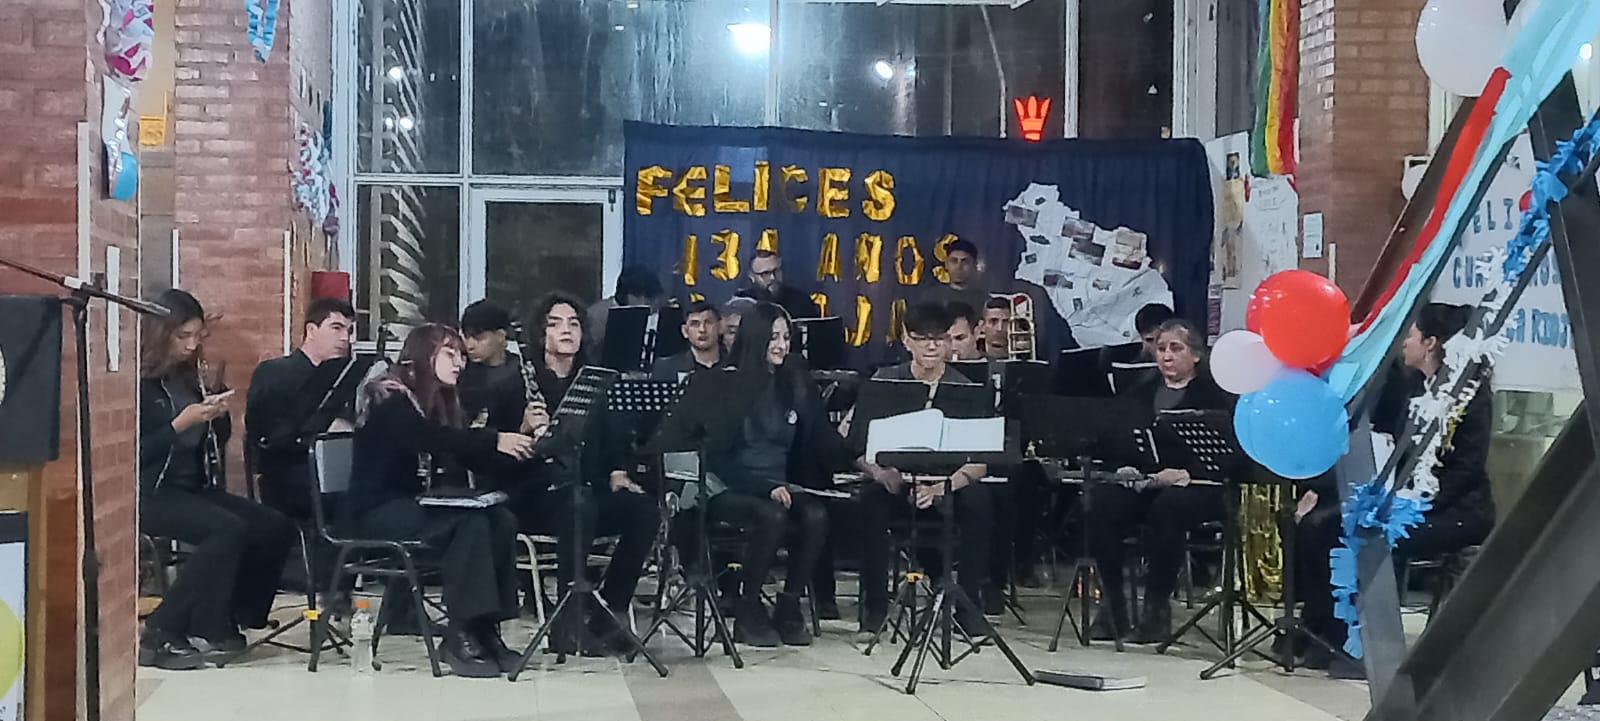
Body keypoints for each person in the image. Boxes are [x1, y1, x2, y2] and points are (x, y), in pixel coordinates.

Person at [1295, 303, 1494, 673]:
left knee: (1373, 537)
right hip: (1404, 497)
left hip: (1456, 510)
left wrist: (1411, 505)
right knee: (1320, 527)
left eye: (1412, 334)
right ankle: (1324, 632)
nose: (1405, 341)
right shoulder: (1414, 387)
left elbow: (1466, 470)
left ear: (1431, 343)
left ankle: (1370, 651)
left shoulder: (1470, 396)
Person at [347, 324, 535, 678]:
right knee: (468, 524)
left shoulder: (436, 397)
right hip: (376, 509)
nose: (460, 363)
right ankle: (460, 633)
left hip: (416, 504)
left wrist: (519, 444)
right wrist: (493, 439)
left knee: (500, 518)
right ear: (423, 355)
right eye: (450, 354)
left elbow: (462, 451)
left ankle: (486, 629)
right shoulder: (387, 394)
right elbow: (429, 438)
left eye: (462, 355)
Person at [138, 289, 296, 670]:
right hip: (152, 491)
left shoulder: (189, 377)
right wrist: (179, 424)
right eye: (183, 336)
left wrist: (218, 416)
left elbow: (210, 442)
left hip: (193, 486)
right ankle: (161, 630)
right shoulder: (140, 384)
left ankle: (225, 617)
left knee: (275, 526)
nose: (191, 346)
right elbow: (135, 453)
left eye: (197, 336)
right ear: (161, 334)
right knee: (226, 530)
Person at [692, 301, 848, 647]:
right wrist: (764, 488)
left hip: (780, 484)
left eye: (786, 337)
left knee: (816, 515)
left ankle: (789, 605)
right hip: (731, 486)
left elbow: (818, 436)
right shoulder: (727, 384)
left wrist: (853, 446)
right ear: (756, 338)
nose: (781, 345)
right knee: (772, 515)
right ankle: (748, 609)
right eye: (774, 337)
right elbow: (717, 459)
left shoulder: (793, 380)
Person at [518, 292, 656, 654]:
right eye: (555, 324)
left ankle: (607, 610)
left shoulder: (595, 383)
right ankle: (567, 620)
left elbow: (613, 441)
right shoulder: (519, 383)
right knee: (579, 504)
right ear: (540, 335)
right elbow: (499, 452)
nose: (566, 331)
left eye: (574, 324)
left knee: (644, 509)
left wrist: (617, 471)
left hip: (585, 492)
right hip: (537, 497)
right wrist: (524, 429)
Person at [1087, 318, 1236, 644]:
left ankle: (1156, 609)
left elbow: (1228, 457)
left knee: (1168, 509)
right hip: (1147, 482)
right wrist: (1124, 466)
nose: (1166, 356)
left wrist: (1186, 475)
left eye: (1175, 348)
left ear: (1195, 355)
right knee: (1103, 504)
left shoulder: (1215, 396)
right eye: (1161, 348)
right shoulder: (1140, 390)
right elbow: (1115, 440)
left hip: (1197, 486)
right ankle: (1113, 606)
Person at [854, 303, 996, 635]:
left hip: (947, 482)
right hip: (896, 480)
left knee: (980, 503)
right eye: (922, 338)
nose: (931, 346)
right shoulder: (885, 382)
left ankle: (969, 605)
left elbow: (980, 461)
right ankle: (875, 606)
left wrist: (941, 487)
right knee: (869, 501)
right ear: (906, 340)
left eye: (939, 339)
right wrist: (881, 473)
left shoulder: (966, 389)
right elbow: (857, 448)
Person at [245, 296, 357, 520]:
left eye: (349, 330)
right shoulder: (274, 372)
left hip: (334, 473)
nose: (345, 337)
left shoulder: (345, 377)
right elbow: (263, 433)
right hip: (290, 479)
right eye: (336, 328)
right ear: (311, 330)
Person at [587, 265, 665, 351]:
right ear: (632, 296)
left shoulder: (636, 315)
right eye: (650, 301)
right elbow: (590, 353)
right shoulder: (597, 315)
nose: (656, 306)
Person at [652, 300, 725, 381]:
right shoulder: (666, 367)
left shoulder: (734, 366)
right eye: (695, 324)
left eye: (708, 322)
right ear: (685, 331)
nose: (702, 329)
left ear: (720, 327)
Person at [738, 250, 821, 319]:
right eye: (765, 274)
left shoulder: (801, 301)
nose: (772, 277)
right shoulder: (741, 304)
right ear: (751, 276)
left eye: (776, 271)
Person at [932, 239, 989, 315]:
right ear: (946, 264)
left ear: (974, 265)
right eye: (954, 261)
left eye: (965, 261)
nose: (959, 267)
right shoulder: (932, 296)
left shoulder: (984, 301)